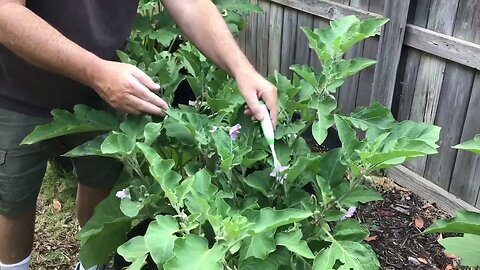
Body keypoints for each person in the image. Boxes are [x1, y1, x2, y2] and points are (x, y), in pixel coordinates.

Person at [0, 0, 278, 269]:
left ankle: (91, 265)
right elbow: (6, 12)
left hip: (104, 91)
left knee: (100, 183)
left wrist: (243, 71)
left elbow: (190, 4)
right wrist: (97, 72)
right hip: (19, 90)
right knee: (13, 202)